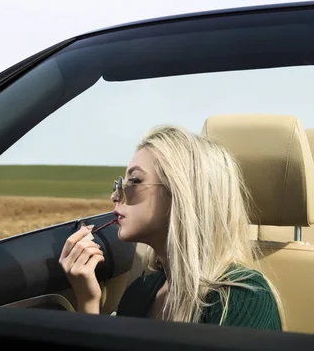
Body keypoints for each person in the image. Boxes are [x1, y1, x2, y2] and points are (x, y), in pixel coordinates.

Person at [59, 125, 283, 330]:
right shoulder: (141, 291)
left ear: (182, 193)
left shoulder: (243, 298)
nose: (115, 195)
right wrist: (88, 301)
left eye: (134, 182)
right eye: (120, 184)